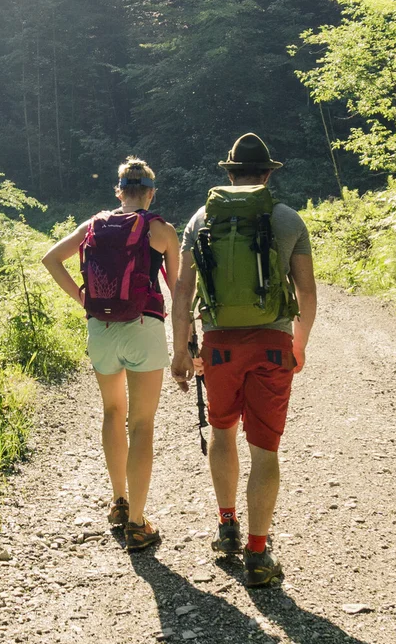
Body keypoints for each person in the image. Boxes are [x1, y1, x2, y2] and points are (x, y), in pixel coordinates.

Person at [170, 133, 316, 588]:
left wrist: (180, 349)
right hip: (272, 342)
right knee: (265, 448)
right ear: (268, 174)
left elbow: (182, 291)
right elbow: (307, 291)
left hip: (218, 345)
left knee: (222, 430)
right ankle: (257, 553)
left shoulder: (201, 219)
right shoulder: (287, 218)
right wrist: (300, 343)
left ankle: (226, 525)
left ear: (229, 173)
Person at [42, 157, 181, 551]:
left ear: (119, 191)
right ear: (151, 193)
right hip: (144, 328)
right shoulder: (161, 230)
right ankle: (137, 523)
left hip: (100, 329)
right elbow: (178, 287)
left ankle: (118, 502)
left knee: (112, 412)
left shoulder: (94, 225)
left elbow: (50, 259)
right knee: (142, 424)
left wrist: (82, 297)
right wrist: (189, 337)